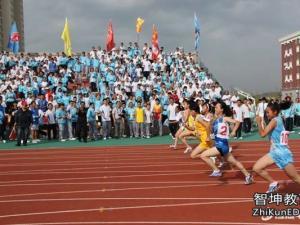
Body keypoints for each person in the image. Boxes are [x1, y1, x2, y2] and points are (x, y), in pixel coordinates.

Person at [199, 101, 253, 185]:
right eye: (215, 107)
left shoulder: (224, 118)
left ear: (222, 110)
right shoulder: (215, 119)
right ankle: (248, 175)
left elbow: (238, 122)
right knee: (234, 162)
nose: (215, 109)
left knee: (203, 155)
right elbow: (209, 126)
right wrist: (209, 135)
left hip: (221, 145)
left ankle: (217, 170)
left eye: (217, 107)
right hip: (223, 145)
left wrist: (234, 131)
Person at [253, 102, 300, 193]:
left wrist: (259, 122)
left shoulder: (275, 120)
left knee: (296, 178)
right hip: (274, 152)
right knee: (257, 168)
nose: (266, 114)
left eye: (268, 112)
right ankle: (273, 183)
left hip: (282, 153)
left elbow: (262, 134)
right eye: (266, 112)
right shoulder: (277, 119)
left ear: (275, 112)